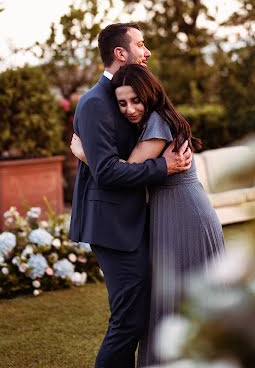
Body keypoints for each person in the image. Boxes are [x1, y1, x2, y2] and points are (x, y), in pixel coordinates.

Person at [71, 63, 225, 367]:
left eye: (135, 100)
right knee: (172, 298)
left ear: (150, 94)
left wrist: (85, 155)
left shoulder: (157, 124)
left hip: (184, 216)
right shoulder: (149, 122)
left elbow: (123, 170)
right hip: (169, 212)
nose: (129, 109)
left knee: (183, 297)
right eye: (122, 103)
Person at [68, 23, 192, 368]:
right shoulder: (95, 103)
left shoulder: (126, 94)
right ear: (120, 54)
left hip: (133, 223)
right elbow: (107, 171)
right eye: (141, 44)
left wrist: (84, 156)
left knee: (137, 319)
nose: (147, 51)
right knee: (127, 323)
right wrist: (163, 168)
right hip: (112, 226)